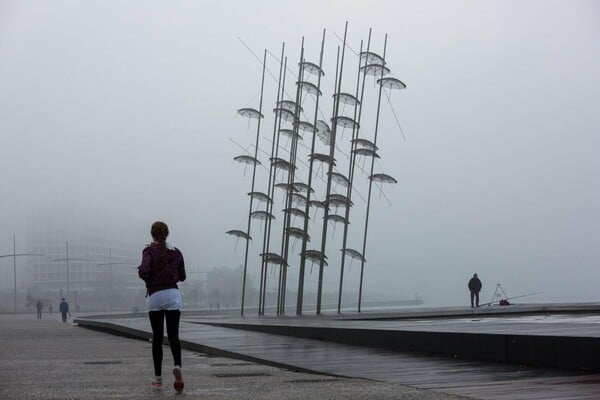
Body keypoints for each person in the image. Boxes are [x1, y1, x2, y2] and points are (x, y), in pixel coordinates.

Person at [138, 221, 186, 392]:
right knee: (173, 335)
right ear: (167, 234)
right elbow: (183, 276)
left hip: (155, 296)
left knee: (157, 337)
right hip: (173, 294)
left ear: (152, 234)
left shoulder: (149, 250)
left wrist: (149, 277)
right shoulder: (176, 251)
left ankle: (158, 379)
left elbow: (143, 271)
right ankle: (178, 365)